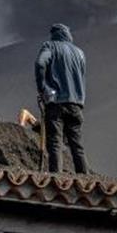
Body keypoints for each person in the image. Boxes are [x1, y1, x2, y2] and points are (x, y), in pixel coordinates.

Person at [34, 23, 88, 173]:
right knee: (77, 144)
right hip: (76, 104)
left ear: (54, 34)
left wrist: (43, 89)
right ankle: (85, 180)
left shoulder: (50, 46)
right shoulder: (80, 53)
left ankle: (55, 180)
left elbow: (40, 63)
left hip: (56, 102)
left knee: (55, 143)